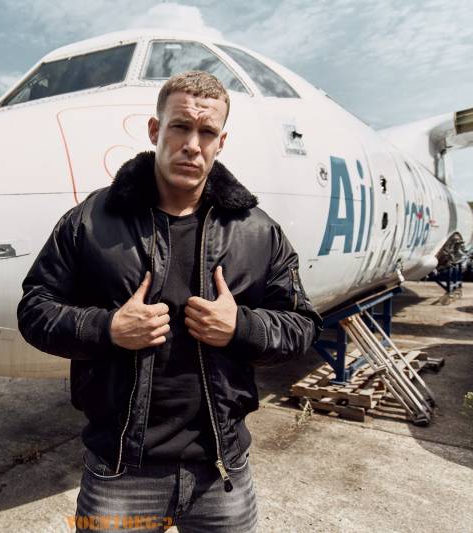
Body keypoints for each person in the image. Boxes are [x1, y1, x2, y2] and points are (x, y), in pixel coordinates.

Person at [17, 71, 322, 532]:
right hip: (120, 472)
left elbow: (302, 325)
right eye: (180, 127)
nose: (192, 145)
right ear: (155, 131)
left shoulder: (258, 231)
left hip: (221, 473)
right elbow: (35, 310)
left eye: (207, 132)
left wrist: (241, 328)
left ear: (221, 142)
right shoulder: (90, 222)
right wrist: (108, 329)